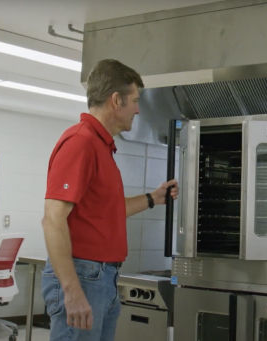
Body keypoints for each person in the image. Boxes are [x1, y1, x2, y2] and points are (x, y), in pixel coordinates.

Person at [41, 59, 178, 341]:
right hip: (84, 276)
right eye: (135, 101)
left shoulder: (102, 147)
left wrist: (154, 198)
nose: (139, 110)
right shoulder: (81, 142)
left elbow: (108, 211)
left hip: (102, 277)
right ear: (116, 100)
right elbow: (52, 219)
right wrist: (72, 290)